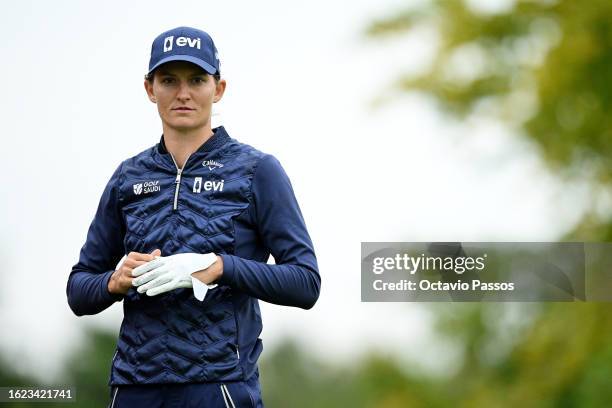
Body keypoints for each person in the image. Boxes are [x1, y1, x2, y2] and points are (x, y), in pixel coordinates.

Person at [66, 26, 321, 408]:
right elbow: (78, 289)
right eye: (169, 80)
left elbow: (305, 282)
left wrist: (219, 267)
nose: (183, 93)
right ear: (150, 89)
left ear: (218, 89)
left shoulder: (257, 170)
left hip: (219, 386)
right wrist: (114, 282)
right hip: (135, 387)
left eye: (197, 80)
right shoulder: (127, 177)